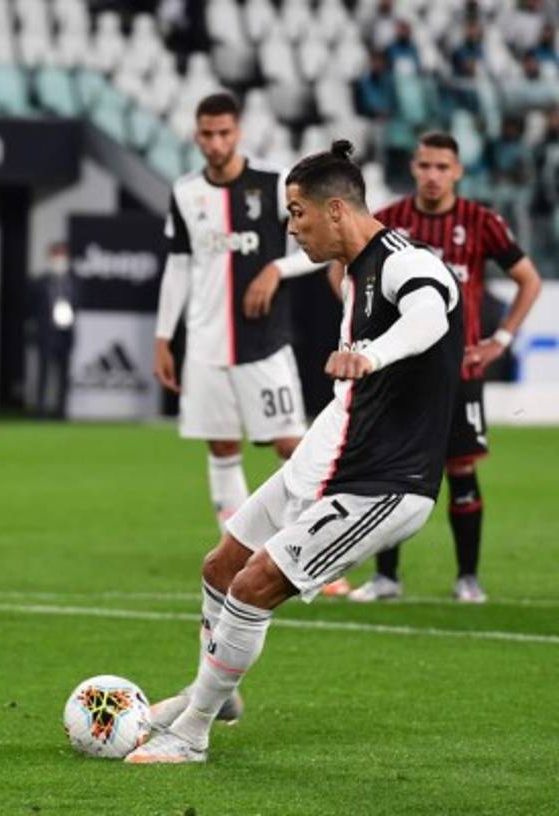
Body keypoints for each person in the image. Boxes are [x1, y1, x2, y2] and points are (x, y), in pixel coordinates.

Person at [125, 140, 464, 765]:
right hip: (328, 457)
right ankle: (215, 691)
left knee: (253, 587)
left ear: (336, 210)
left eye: (297, 214)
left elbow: (431, 315)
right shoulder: (354, 273)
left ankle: (193, 730)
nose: (291, 228)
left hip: (384, 484)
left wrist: (374, 353)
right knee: (220, 566)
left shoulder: (403, 262)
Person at [336, 132, 542, 604]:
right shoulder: (388, 222)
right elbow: (340, 272)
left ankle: (467, 578)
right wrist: (364, 328)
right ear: (413, 167)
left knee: (462, 468)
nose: (433, 175)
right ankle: (386, 578)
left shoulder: (481, 221)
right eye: (425, 165)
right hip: (398, 372)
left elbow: (527, 279)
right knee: (388, 469)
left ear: (458, 171)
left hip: (459, 372)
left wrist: (500, 340)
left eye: (442, 167)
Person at [154, 92, 318, 535]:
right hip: (206, 345)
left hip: (263, 343)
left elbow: (324, 245)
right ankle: (239, 550)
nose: (215, 142)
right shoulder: (186, 192)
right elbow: (178, 266)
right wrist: (163, 338)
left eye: (224, 133)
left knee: (292, 446)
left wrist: (276, 269)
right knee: (222, 447)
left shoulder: (273, 183)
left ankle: (315, 551)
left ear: (238, 132)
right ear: (196, 135)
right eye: (207, 134)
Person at [29, 241, 76, 419]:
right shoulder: (39, 282)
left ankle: (62, 411)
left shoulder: (73, 282)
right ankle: (40, 411)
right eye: (56, 255)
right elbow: (31, 307)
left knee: (64, 375)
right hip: (46, 333)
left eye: (62, 255)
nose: (59, 259)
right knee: (43, 373)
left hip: (65, 333)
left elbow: (79, 302)